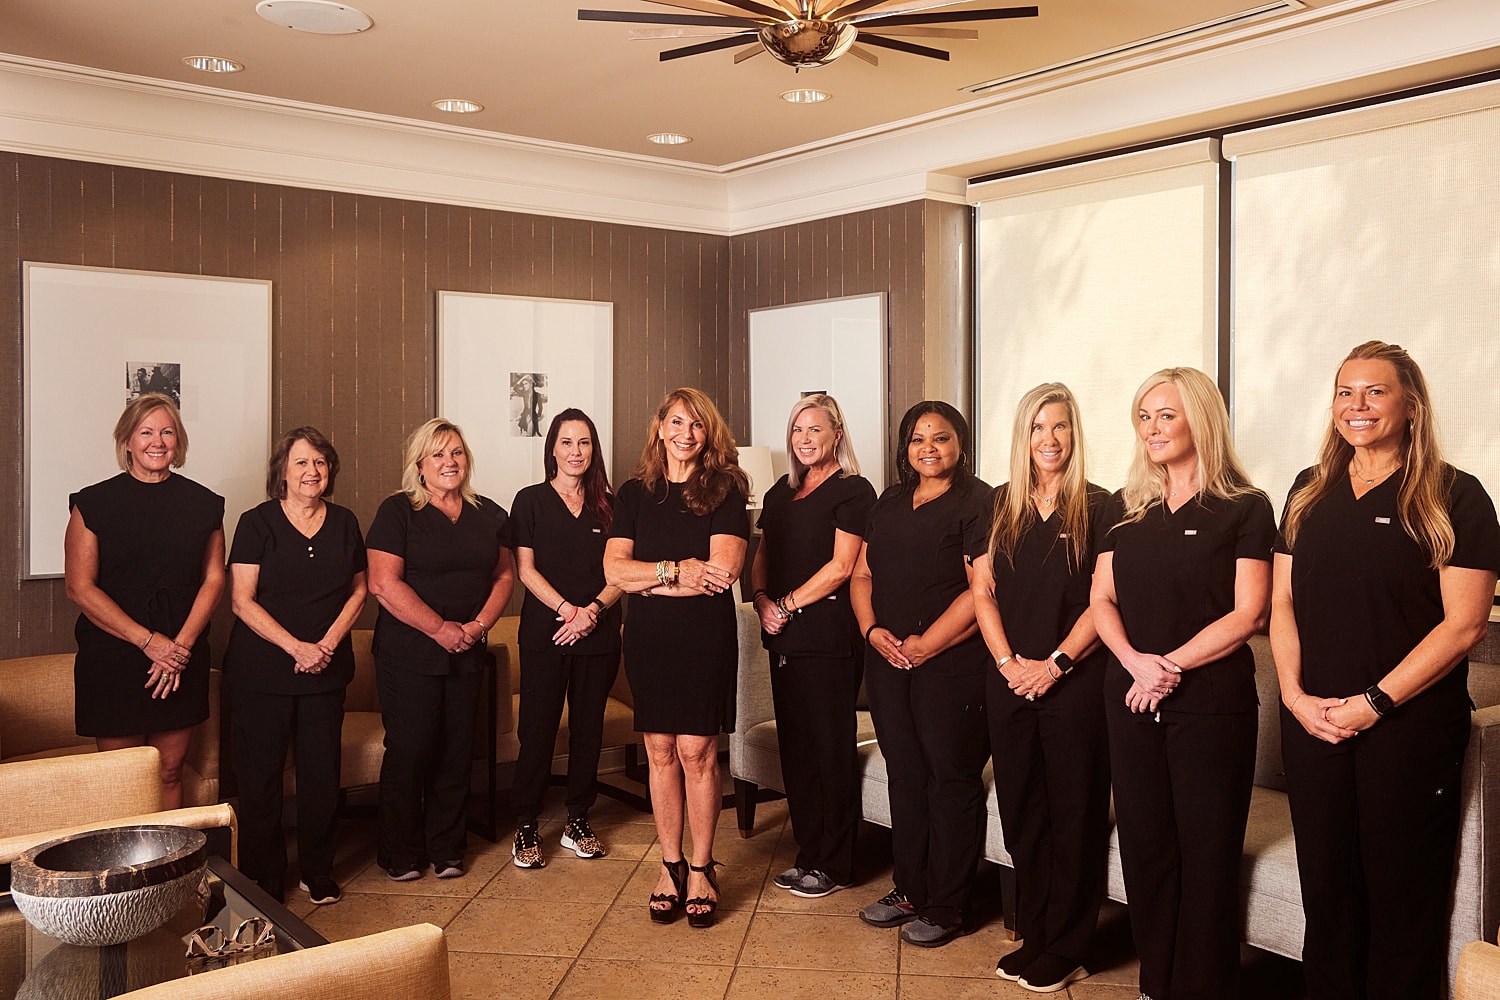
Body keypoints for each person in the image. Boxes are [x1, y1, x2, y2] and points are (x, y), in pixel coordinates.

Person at [1271, 342, 1500, 1000]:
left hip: (1406, 733)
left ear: (1411, 405)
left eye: (1376, 392)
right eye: (1346, 392)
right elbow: (1282, 602)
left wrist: (1372, 703)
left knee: (1402, 902)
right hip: (1313, 728)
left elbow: (1464, 624)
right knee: (1329, 896)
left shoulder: (1456, 495)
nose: (1358, 405)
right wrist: (1293, 695)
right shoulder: (1307, 491)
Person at [1090, 367, 1274, 1000]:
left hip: (1211, 707)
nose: (1152, 428)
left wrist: (1165, 665)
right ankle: (1157, 983)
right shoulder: (1125, 509)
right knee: (1147, 850)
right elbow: (1101, 600)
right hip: (1132, 699)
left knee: (1208, 855)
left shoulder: (1246, 507)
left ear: (1201, 419)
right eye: (1144, 416)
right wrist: (1137, 663)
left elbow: (1248, 613)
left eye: (1166, 415)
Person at [970, 383, 1110, 993]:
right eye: (1036, 428)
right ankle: (1036, 934)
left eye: (1059, 427)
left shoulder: (1103, 507)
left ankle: (1071, 945)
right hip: (1009, 681)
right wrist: (1007, 664)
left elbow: (1105, 603)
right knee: (1022, 808)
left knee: (1073, 815)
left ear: (1074, 434)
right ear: (1021, 437)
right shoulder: (997, 505)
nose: (1048, 440)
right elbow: (982, 593)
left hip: (1073, 683)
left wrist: (1052, 665)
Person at [603, 388, 749, 928]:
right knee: (659, 748)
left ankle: (703, 868)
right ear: (660, 427)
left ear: (708, 435)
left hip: (702, 640)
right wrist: (674, 572)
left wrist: (648, 579)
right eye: (678, 422)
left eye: (698, 426)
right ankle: (670, 866)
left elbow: (722, 573)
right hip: (648, 642)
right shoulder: (634, 493)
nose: (686, 434)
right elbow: (614, 571)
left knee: (697, 752)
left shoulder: (725, 491)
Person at [851, 400, 992, 948]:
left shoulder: (978, 502)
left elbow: (980, 590)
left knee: (949, 777)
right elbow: (862, 574)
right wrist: (871, 632)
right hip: (888, 661)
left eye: (940, 437)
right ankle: (909, 888)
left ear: (960, 444)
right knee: (905, 773)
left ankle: (950, 904)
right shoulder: (888, 502)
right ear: (904, 447)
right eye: (917, 439)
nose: (928, 448)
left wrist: (926, 645)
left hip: (950, 666)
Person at [366, 418, 515, 882]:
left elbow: (504, 577)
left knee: (456, 751)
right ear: (419, 465)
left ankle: (448, 847)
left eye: (456, 453)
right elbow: (383, 584)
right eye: (438, 454)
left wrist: (477, 626)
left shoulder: (489, 512)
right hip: (409, 653)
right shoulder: (397, 512)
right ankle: (401, 852)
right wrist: (440, 629)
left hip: (468, 648)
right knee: (410, 750)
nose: (449, 462)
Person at [225, 427, 367, 904]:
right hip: (261, 674)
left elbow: (360, 590)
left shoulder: (346, 522)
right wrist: (297, 648)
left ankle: (317, 870)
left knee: (321, 776)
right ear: (282, 471)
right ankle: (265, 875)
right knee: (260, 779)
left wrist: (325, 644)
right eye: (302, 463)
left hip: (326, 670)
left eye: (321, 463)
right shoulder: (256, 522)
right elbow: (241, 602)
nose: (312, 472)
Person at [64, 392, 225, 810]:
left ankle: (168, 872)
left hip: (182, 654)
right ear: (127, 441)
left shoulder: (204, 504)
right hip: (116, 657)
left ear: (179, 441)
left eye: (167, 431)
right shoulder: (93, 504)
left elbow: (213, 579)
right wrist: (150, 642)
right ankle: (123, 875)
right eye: (146, 432)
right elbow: (80, 588)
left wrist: (180, 649)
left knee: (170, 770)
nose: (158, 441)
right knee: (122, 779)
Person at [750, 394, 876, 899]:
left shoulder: (853, 491)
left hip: (828, 638)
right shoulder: (781, 493)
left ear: (836, 435)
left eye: (816, 430)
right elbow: (763, 554)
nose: (805, 439)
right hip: (782, 636)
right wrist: (761, 600)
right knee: (797, 750)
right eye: (798, 430)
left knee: (830, 751)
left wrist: (786, 604)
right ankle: (809, 854)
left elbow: (843, 567)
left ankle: (837, 862)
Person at [509, 408, 624, 869]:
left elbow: (621, 571)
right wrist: (566, 612)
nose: (576, 452)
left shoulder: (611, 506)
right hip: (547, 635)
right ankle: (526, 825)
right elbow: (525, 569)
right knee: (536, 731)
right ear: (552, 448)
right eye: (567, 442)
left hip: (597, 634)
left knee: (588, 731)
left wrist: (591, 611)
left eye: (584, 443)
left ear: (593, 450)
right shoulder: (530, 500)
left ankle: (578, 819)